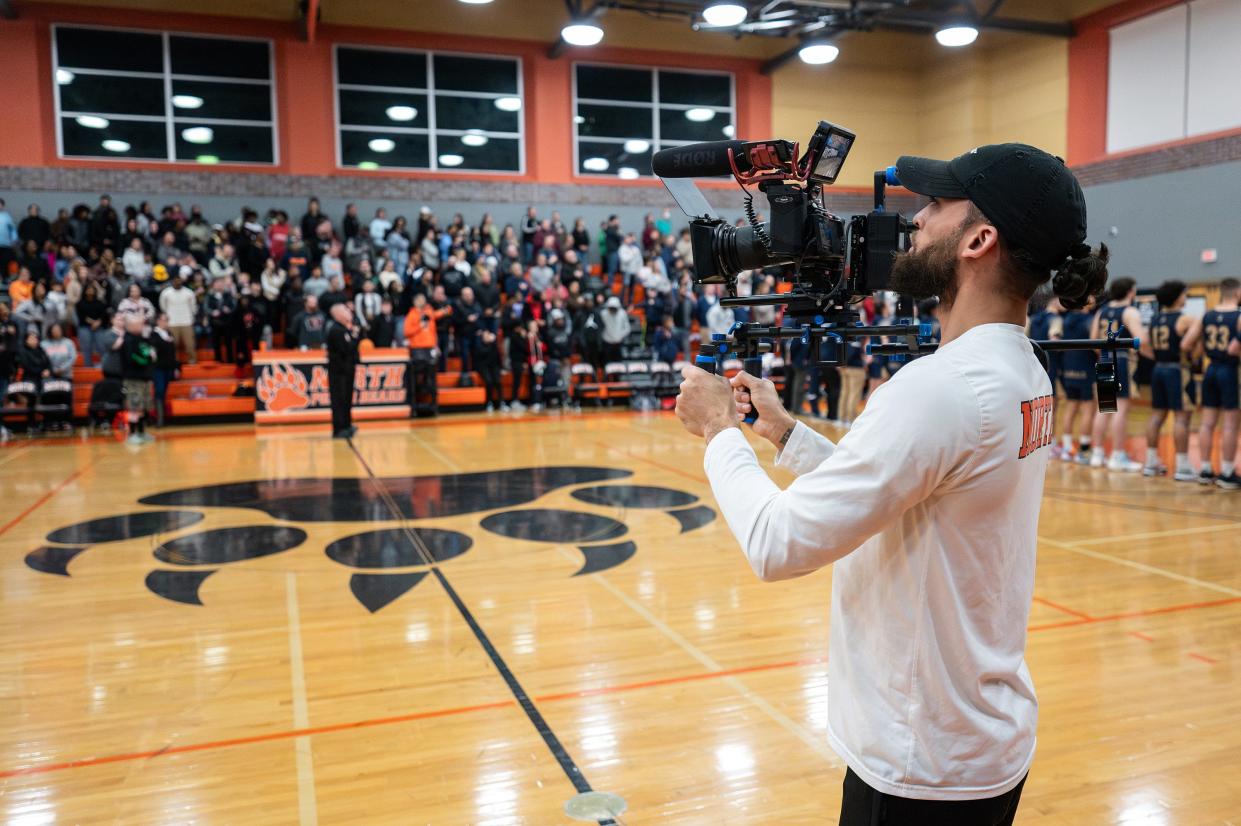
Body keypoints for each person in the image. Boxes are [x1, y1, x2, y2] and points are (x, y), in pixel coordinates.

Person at [674, 143, 1109, 825]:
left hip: (919, 765)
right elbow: (902, 495)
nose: (914, 219)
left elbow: (776, 543)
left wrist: (717, 432)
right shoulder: (1015, 367)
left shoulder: (941, 388)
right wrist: (787, 436)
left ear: (979, 238)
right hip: (970, 743)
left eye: (935, 204)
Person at [1142, 280, 1200, 480]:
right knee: (1182, 419)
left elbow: (1145, 345)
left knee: (1157, 416)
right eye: (1184, 294)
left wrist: (1159, 357)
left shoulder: (1155, 319)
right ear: (1177, 296)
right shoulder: (1186, 320)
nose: (1186, 297)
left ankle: (1150, 462)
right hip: (1178, 370)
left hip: (1158, 369)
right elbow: (1187, 346)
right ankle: (1183, 466)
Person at [1088, 277, 1147, 471]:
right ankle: (1118, 455)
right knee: (1120, 408)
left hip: (1104, 358)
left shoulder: (1102, 311)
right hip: (1121, 359)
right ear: (1131, 292)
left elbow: (1093, 339)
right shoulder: (1129, 311)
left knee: (1104, 408)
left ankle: (1096, 454)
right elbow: (1142, 339)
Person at [1057, 294, 1098, 464]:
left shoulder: (1065, 320)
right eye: (1092, 296)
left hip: (1068, 369)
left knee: (1071, 408)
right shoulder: (1090, 320)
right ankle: (1084, 450)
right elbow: (1096, 344)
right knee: (1088, 410)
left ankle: (1067, 449)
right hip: (1086, 368)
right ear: (1086, 301)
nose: (1095, 299)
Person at [404, 292, 445, 416]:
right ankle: (415, 406)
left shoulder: (429, 312)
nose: (423, 301)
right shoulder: (411, 315)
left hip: (430, 349)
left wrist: (436, 345)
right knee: (416, 379)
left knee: (432, 378)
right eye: (420, 299)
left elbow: (433, 330)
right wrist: (419, 326)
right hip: (418, 350)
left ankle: (433, 406)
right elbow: (407, 332)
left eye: (424, 299)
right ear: (415, 302)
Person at [116, 315, 155, 445]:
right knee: (134, 406)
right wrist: (145, 361)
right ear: (130, 326)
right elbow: (132, 358)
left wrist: (149, 360)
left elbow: (151, 355)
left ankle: (142, 432)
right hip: (133, 378)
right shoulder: (127, 340)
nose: (141, 326)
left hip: (145, 377)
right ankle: (132, 434)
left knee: (144, 407)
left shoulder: (144, 339)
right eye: (138, 324)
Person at [325, 301, 360, 439]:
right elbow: (347, 348)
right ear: (338, 315)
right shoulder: (336, 330)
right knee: (339, 400)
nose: (349, 313)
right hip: (339, 373)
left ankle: (347, 425)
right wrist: (355, 337)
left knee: (346, 399)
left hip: (347, 371)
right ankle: (339, 429)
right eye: (346, 311)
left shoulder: (344, 329)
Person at [151, 312, 179, 427]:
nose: (165, 323)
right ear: (158, 321)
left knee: (163, 392)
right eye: (163, 320)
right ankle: (159, 419)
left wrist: (176, 367)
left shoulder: (169, 333)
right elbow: (153, 350)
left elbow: (173, 353)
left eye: (167, 320)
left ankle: (161, 417)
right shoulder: (154, 334)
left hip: (168, 367)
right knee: (159, 390)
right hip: (158, 368)